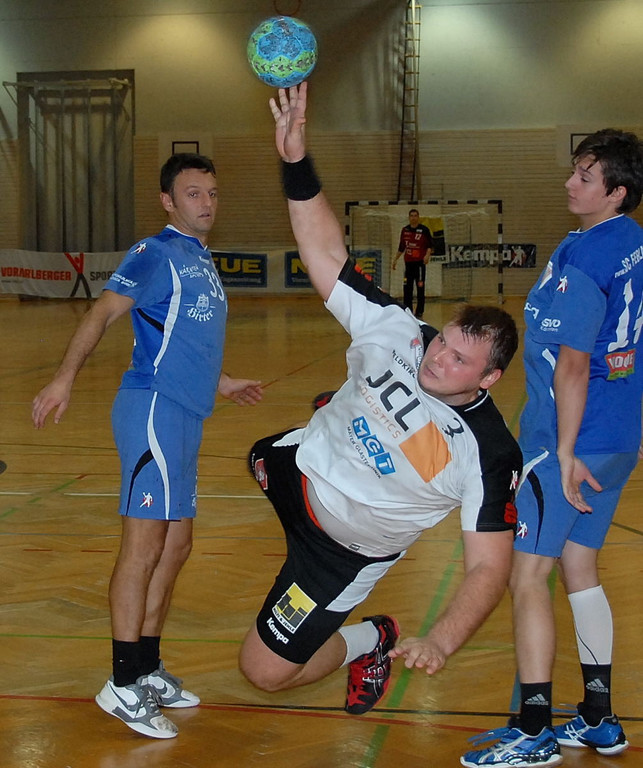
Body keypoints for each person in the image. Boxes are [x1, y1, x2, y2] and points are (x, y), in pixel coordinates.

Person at [238, 82, 522, 717]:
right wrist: (295, 159)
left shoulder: (490, 453)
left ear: (489, 379)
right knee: (257, 453)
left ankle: (373, 638)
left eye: (459, 361)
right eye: (443, 341)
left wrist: (441, 640)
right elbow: (324, 252)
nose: (437, 360)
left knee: (263, 672)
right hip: (297, 470)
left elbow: (488, 569)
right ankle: (319, 424)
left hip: (338, 552)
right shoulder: (399, 330)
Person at [32, 153, 263, 739]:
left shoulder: (200, 258)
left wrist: (221, 381)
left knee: (177, 545)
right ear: (168, 201)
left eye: (212, 192)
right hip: (153, 410)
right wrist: (63, 378)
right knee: (145, 545)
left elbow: (184, 335)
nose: (206, 203)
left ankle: (146, 667)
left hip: (187, 413)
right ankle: (120, 682)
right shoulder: (155, 252)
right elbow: (103, 312)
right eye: (193, 193)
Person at [461, 129, 643, 768]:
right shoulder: (629, 242)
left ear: (616, 192)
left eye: (585, 177)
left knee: (528, 575)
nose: (570, 183)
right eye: (574, 170)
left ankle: (534, 728)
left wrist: (563, 454)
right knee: (579, 567)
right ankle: (598, 716)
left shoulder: (589, 256)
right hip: (617, 436)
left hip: (572, 442)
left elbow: (572, 366)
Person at [392, 208, 433, 318]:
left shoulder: (424, 230)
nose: (413, 218)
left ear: (418, 217)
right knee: (407, 288)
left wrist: (427, 255)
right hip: (408, 264)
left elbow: (430, 245)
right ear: (409, 217)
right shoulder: (405, 230)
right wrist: (395, 260)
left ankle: (419, 312)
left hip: (419, 264)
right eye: (412, 216)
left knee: (420, 288)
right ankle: (408, 310)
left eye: (415, 216)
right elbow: (401, 247)